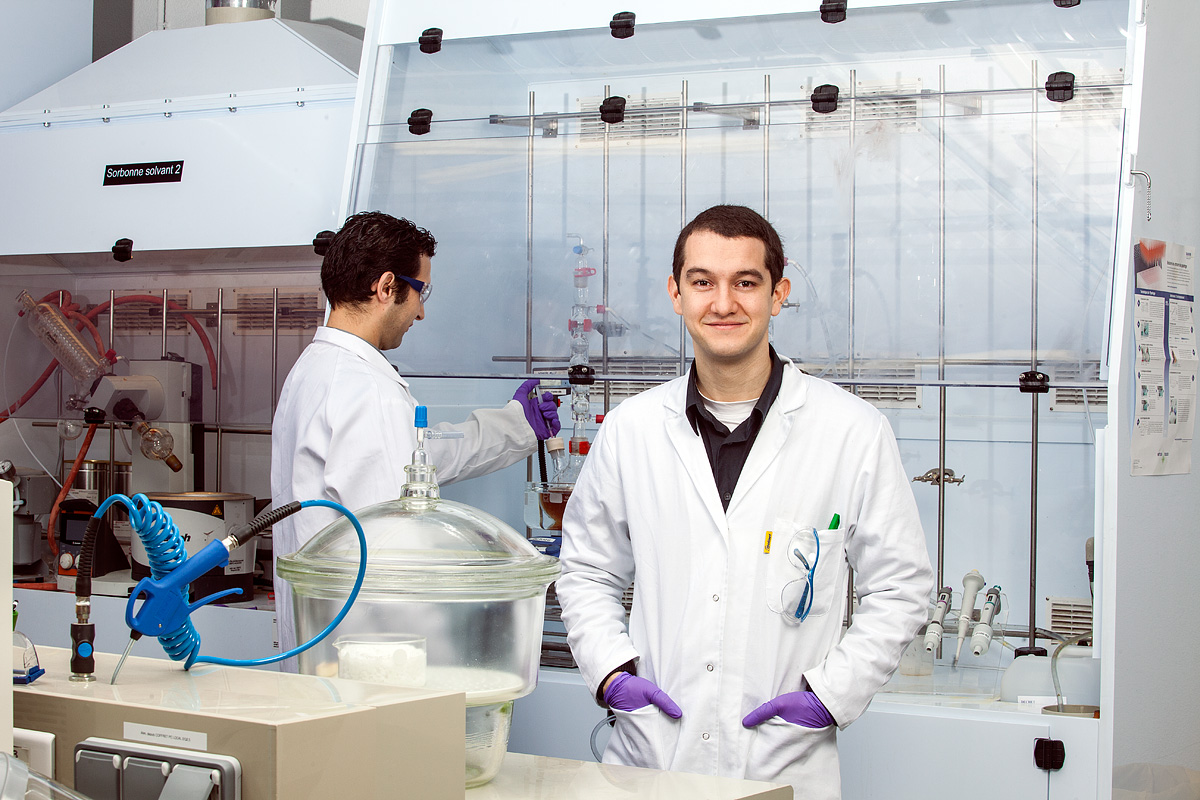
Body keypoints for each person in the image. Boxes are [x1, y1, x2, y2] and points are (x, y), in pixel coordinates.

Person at [556, 205, 933, 798]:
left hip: (782, 760)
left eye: (746, 283)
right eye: (703, 282)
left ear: (778, 294)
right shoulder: (631, 429)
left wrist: (828, 697)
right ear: (676, 294)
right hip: (654, 753)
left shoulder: (851, 430)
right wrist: (610, 673)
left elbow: (903, 586)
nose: (723, 303)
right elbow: (586, 569)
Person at [271, 211, 560, 662]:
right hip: (370, 655)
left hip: (326, 645)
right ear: (387, 287)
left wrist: (515, 425)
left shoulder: (316, 370)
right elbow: (393, 545)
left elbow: (418, 459)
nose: (421, 311)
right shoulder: (365, 389)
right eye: (420, 292)